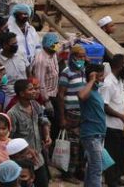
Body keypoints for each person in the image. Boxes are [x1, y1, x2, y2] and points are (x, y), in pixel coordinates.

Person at [7, 80, 50, 187]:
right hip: (23, 162)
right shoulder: (13, 113)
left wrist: (47, 135)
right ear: (21, 93)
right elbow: (9, 139)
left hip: (38, 157)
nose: (34, 91)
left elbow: (44, 121)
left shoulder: (35, 105)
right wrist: (26, 150)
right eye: (30, 89)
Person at [56, 44, 87, 183]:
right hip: (71, 113)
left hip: (82, 113)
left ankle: (79, 171)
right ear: (73, 57)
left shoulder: (83, 71)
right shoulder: (66, 72)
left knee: (81, 144)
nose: (82, 59)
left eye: (83, 56)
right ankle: (68, 174)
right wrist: (62, 117)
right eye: (79, 56)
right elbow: (61, 95)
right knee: (72, 145)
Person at [99, 55, 124, 187]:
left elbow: (116, 101)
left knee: (121, 154)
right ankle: (112, 181)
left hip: (119, 127)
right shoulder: (108, 83)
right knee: (112, 156)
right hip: (111, 126)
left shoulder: (118, 81)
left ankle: (118, 178)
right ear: (119, 66)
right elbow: (105, 106)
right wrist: (121, 116)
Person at [77, 63, 106, 187]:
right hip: (91, 135)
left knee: (92, 168)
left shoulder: (96, 91)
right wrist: (92, 80)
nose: (103, 78)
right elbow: (81, 95)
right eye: (100, 76)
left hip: (98, 134)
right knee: (96, 169)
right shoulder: (86, 90)